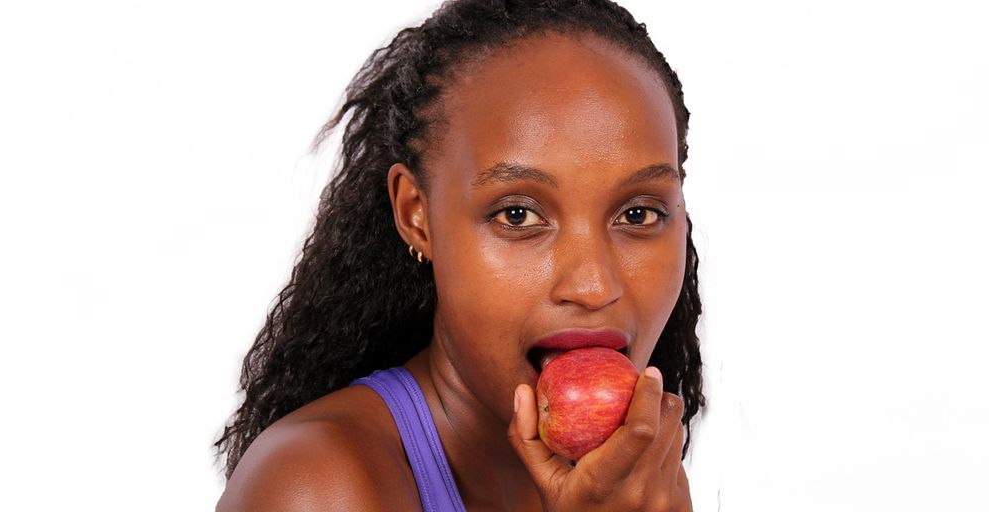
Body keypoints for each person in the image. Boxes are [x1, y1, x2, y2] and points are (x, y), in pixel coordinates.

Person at [215, 0, 704, 509]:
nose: (594, 286)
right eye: (517, 215)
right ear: (416, 215)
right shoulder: (319, 486)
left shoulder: (635, 487)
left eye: (639, 214)